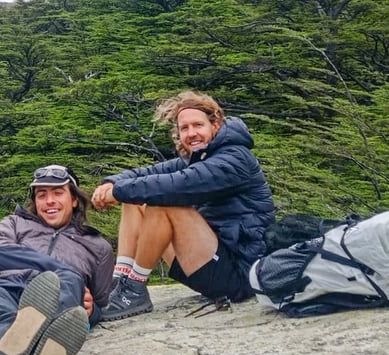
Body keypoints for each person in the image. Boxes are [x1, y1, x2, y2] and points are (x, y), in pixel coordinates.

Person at [91, 91, 274, 319]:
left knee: (162, 202)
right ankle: (121, 283)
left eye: (198, 125)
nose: (191, 133)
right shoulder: (197, 158)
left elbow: (178, 185)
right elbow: (146, 174)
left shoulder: (235, 158)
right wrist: (111, 183)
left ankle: (135, 288)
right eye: (184, 128)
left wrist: (117, 192)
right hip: (208, 261)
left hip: (239, 274)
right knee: (136, 196)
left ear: (215, 124)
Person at [0, 164, 114, 355]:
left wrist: (92, 311)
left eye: (57, 193)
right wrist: (56, 266)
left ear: (74, 199)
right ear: (35, 201)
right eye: (42, 195)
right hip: (6, 287)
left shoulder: (98, 247)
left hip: (61, 297)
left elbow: (102, 303)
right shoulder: (15, 223)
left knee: (68, 281)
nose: (49, 201)